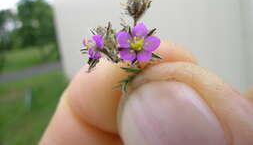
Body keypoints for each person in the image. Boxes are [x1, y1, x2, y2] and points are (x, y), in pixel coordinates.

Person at [39, 40, 253, 145]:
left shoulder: (136, 47)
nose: (137, 43)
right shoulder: (128, 50)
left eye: (138, 42)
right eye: (134, 43)